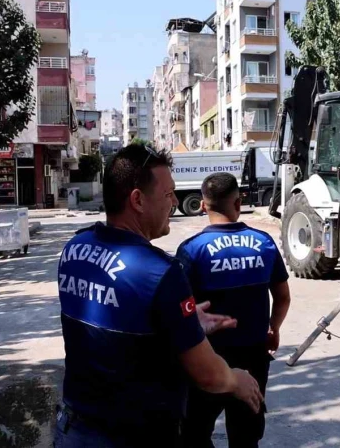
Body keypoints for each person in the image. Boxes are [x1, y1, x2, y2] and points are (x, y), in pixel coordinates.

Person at [54, 145, 263, 447]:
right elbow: (208, 375)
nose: (175, 203)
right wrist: (236, 380)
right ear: (137, 200)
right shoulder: (159, 272)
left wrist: (184, 322)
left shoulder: (74, 249)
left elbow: (120, 322)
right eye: (168, 195)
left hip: (75, 430)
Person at [177, 172, 291, 448]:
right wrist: (273, 328)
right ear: (238, 203)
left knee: (194, 432)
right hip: (253, 357)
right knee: (246, 436)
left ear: (203, 206)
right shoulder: (263, 243)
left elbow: (181, 311)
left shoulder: (191, 250)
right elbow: (283, 297)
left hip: (207, 360)